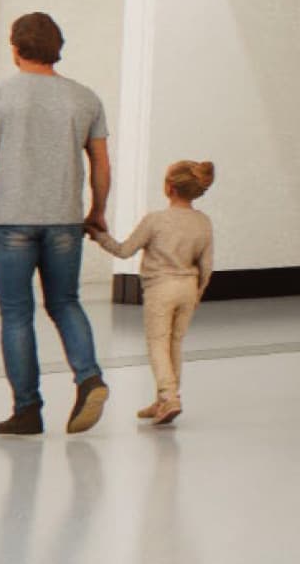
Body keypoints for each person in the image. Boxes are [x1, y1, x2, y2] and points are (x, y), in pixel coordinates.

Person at [0, 11, 113, 436]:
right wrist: (97, 210)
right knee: (66, 303)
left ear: (14, 48)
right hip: (64, 219)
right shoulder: (85, 98)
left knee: (15, 315)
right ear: (57, 48)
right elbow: (101, 162)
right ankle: (89, 377)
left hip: (9, 220)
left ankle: (27, 411)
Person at [90, 160, 218, 426]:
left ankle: (168, 396)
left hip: (160, 289)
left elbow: (124, 251)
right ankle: (165, 399)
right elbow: (206, 266)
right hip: (188, 288)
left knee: (157, 344)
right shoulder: (203, 222)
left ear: (169, 188)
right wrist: (197, 294)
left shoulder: (155, 221)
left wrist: (99, 236)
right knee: (175, 344)